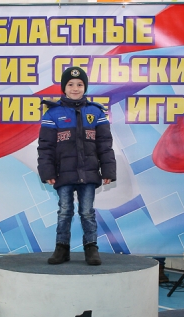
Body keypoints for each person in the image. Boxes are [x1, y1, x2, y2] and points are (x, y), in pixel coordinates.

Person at [37, 66, 116, 266]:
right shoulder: (52, 114)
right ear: (64, 88)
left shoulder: (96, 112)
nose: (75, 88)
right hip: (63, 173)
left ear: (85, 87)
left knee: (87, 212)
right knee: (65, 211)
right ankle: (61, 248)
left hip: (88, 173)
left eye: (80, 84)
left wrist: (108, 170)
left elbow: (105, 145)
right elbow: (45, 147)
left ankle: (91, 248)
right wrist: (47, 171)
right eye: (70, 84)